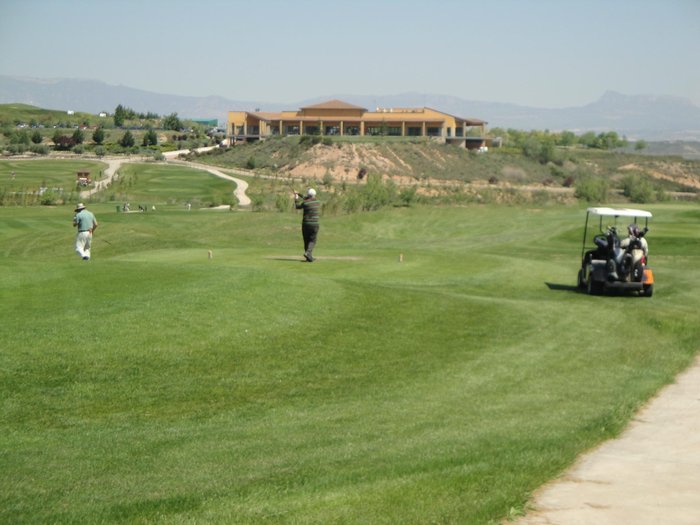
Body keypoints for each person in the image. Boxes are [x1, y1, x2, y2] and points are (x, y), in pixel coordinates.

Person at [294, 188, 321, 262]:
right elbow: (307, 198)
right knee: (313, 240)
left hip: (305, 224)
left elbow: (297, 207)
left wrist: (296, 198)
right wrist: (298, 194)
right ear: (314, 195)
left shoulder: (305, 203)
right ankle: (308, 253)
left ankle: (309, 257)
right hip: (314, 224)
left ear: (308, 195)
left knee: (306, 240)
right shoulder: (317, 202)